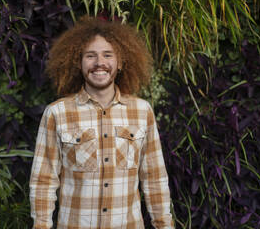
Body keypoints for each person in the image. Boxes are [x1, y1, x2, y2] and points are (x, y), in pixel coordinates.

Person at [30, 16, 174, 229]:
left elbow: (154, 178)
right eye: (90, 56)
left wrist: (164, 225)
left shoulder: (142, 112)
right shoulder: (57, 113)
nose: (100, 63)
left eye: (108, 55)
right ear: (78, 63)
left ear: (121, 62)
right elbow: (44, 181)